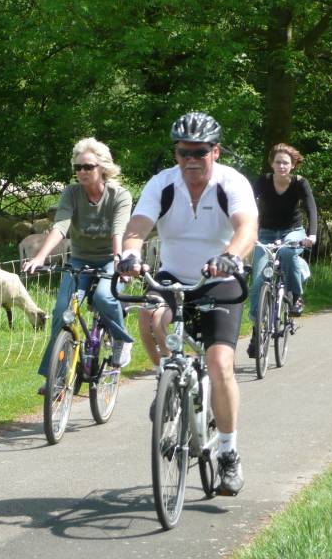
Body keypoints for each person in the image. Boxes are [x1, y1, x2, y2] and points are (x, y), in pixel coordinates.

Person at [117, 112, 258, 497]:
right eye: (183, 152)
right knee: (148, 313)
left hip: (219, 280)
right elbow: (138, 227)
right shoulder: (162, 184)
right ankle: (167, 379)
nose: (191, 160)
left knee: (219, 364)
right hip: (173, 276)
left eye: (199, 152)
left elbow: (246, 227)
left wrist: (232, 254)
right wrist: (130, 254)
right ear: (176, 153)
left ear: (215, 150)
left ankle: (228, 453)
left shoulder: (231, 183)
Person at [22, 137, 135, 392]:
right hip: (80, 260)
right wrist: (40, 257)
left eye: (88, 167)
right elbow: (61, 226)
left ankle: (121, 339)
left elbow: (119, 230)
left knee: (106, 298)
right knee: (62, 310)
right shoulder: (72, 193)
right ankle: (56, 378)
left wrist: (119, 261)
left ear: (102, 167)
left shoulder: (120, 195)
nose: (82, 172)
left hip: (109, 259)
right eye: (78, 168)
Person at [246, 143, 317, 359]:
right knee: (258, 280)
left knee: (287, 253)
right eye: (278, 162)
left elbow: (311, 208)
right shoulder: (263, 181)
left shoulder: (300, 183)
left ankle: (295, 296)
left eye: (286, 162)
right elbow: (247, 204)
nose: (281, 166)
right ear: (272, 163)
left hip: (292, 231)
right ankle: (257, 330)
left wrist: (311, 235)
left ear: (293, 165)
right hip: (266, 233)